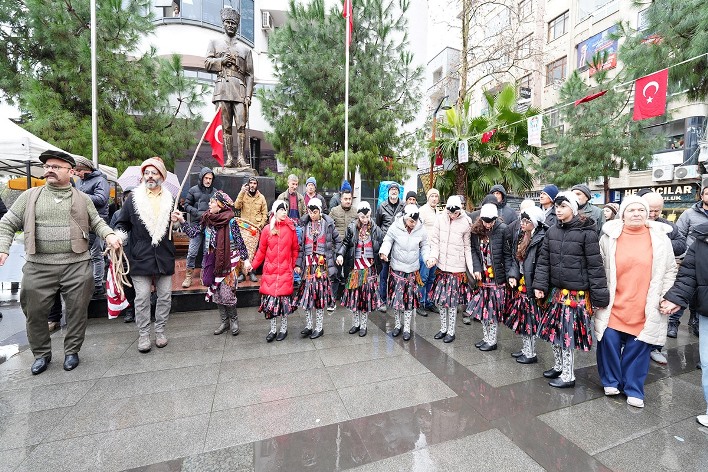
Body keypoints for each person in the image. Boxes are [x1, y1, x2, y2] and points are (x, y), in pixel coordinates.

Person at [0, 150, 121, 374]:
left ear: (70, 171)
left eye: (56, 167)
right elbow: (7, 223)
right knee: (34, 312)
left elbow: (97, 222)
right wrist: (2, 247)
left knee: (77, 311)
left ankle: (72, 351)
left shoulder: (83, 198)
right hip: (38, 265)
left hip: (76, 264)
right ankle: (41, 354)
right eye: (47, 167)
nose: (49, 170)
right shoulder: (30, 196)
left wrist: (110, 235)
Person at [594, 195, 677, 408]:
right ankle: (611, 381)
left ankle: (633, 388)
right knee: (608, 340)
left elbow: (670, 270)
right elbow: (598, 268)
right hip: (614, 302)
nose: (637, 214)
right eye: (631, 210)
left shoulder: (660, 238)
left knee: (638, 347)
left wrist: (666, 296)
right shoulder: (608, 237)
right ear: (623, 214)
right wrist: (598, 294)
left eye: (641, 210)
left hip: (645, 303)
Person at [533, 192, 609, 388]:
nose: (558, 210)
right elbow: (543, 262)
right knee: (554, 333)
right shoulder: (552, 231)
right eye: (557, 206)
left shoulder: (587, 233)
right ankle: (558, 367)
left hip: (576, 295)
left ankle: (568, 375)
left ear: (573, 209)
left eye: (563, 206)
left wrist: (600, 298)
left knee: (567, 336)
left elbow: (595, 266)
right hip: (556, 292)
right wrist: (540, 286)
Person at [114, 157, 185, 353]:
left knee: (165, 297)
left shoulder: (171, 200)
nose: (150, 176)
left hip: (164, 255)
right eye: (146, 173)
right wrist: (118, 237)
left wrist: (176, 221)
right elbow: (122, 224)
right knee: (142, 297)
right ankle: (144, 334)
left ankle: (160, 331)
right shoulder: (133, 200)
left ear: (162, 176)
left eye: (154, 173)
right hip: (140, 255)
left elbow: (174, 228)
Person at [661, 221, 708, 426]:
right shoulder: (702, 239)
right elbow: (688, 274)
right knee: (707, 362)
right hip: (707, 310)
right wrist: (676, 298)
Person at [186, 191, 250, 336]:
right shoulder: (207, 219)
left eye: (212, 202)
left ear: (220, 205)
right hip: (212, 262)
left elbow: (240, 242)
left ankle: (234, 320)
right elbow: (192, 233)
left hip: (229, 263)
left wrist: (246, 261)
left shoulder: (231, 222)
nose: (209, 204)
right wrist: (181, 221)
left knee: (227, 295)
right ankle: (224, 322)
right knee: (217, 294)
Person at [205, 6, 254, 167]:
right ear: (223, 24)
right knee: (225, 126)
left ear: (237, 26)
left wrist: (248, 96)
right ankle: (229, 158)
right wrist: (221, 61)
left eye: (233, 23)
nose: (231, 25)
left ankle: (241, 158)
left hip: (239, 90)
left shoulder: (245, 50)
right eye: (228, 22)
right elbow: (207, 63)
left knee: (241, 125)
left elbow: (250, 75)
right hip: (223, 88)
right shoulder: (214, 43)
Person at [643, 191, 686, 365]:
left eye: (657, 211)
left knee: (658, 314)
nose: (653, 214)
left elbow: (681, 245)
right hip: (637, 278)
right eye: (650, 210)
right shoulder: (632, 222)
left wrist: (661, 243)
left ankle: (655, 348)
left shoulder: (668, 226)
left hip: (660, 277)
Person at [426, 196, 475, 343]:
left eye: (455, 213)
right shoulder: (440, 218)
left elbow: (467, 247)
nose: (452, 215)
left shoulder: (466, 222)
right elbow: (434, 241)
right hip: (442, 267)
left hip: (457, 269)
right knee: (441, 301)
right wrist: (433, 257)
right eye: (450, 212)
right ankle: (443, 328)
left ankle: (451, 331)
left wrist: (471, 268)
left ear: (460, 209)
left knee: (452, 303)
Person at [250, 201, 300, 341]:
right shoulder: (267, 229)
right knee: (271, 304)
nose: (284, 212)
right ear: (275, 211)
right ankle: (272, 330)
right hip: (270, 272)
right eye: (281, 209)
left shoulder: (291, 229)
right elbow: (261, 251)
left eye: (286, 209)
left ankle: (283, 329)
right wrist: (253, 265)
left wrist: (293, 265)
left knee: (284, 304)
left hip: (285, 271)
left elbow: (295, 249)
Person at [466, 203, 512, 351]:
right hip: (483, 276)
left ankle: (492, 341)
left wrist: (509, 276)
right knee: (483, 309)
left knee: (493, 311)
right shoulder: (476, 230)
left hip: (497, 277)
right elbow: (474, 250)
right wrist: (477, 268)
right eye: (485, 221)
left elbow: (507, 255)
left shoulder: (503, 229)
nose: (487, 225)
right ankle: (486, 337)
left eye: (491, 221)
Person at [380, 204, 428, 341]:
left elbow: (425, 245)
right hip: (397, 269)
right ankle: (397, 325)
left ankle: (407, 328)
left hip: (412, 270)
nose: (414, 224)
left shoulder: (421, 228)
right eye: (411, 221)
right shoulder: (396, 226)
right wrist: (384, 252)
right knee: (397, 300)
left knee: (409, 301)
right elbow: (388, 240)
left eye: (415, 221)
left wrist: (427, 258)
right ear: (405, 218)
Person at [295, 198, 341, 339]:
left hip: (322, 267)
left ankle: (319, 327)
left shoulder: (328, 225)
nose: (312, 215)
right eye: (310, 212)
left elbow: (338, 241)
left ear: (320, 211)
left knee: (319, 298)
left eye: (315, 212)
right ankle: (309, 326)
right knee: (307, 297)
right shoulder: (305, 225)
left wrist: (337, 255)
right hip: (308, 267)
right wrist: (298, 264)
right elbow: (301, 248)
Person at [506, 206, 547, 364]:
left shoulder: (542, 238)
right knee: (523, 318)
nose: (522, 223)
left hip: (532, 284)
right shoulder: (521, 234)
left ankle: (530, 353)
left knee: (530, 320)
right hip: (523, 282)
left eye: (526, 221)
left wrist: (538, 286)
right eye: (522, 220)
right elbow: (515, 258)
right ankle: (525, 349)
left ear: (535, 222)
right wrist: (513, 275)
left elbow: (542, 265)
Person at [337, 201, 384, 337]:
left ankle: (363, 325)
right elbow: (345, 243)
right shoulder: (352, 227)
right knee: (355, 297)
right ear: (358, 215)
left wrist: (383, 253)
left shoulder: (376, 229)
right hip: (355, 268)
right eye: (362, 217)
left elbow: (383, 243)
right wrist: (340, 254)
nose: (365, 219)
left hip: (369, 268)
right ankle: (356, 324)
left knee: (365, 298)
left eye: (367, 216)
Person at [73, 156, 111, 297]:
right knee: (85, 254)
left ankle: (98, 285)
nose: (76, 173)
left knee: (96, 254)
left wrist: (80, 195)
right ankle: (87, 283)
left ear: (86, 169)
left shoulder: (101, 180)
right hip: (82, 222)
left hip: (97, 222)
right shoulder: (79, 182)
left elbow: (101, 199)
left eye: (78, 170)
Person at [674, 185, 708, 337]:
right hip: (691, 260)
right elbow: (679, 234)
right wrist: (682, 257)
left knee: (701, 296)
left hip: (706, 262)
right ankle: (673, 323)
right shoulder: (689, 213)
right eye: (707, 193)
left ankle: (696, 321)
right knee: (684, 291)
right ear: (701, 196)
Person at [182, 167, 217, 288]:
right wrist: (197, 213)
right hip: (196, 226)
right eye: (206, 178)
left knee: (206, 253)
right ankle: (188, 277)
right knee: (192, 252)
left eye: (210, 179)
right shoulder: (193, 190)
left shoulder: (215, 192)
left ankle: (203, 275)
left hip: (209, 226)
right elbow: (186, 205)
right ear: (202, 178)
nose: (208, 180)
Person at [376, 182, 404, 312]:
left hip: (399, 245)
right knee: (383, 275)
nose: (394, 191)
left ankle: (395, 300)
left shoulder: (403, 206)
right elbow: (378, 225)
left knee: (398, 275)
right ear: (388, 192)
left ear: (398, 192)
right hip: (385, 246)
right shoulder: (382, 206)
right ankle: (382, 301)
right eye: (391, 189)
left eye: (395, 189)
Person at [109, 186, 137, 323]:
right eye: (127, 196)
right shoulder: (117, 214)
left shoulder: (142, 212)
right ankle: (130, 309)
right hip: (124, 253)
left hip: (139, 253)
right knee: (127, 283)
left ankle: (144, 308)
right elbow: (112, 231)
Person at [233, 176, 267, 283]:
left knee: (254, 251)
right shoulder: (243, 195)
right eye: (251, 183)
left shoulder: (261, 197)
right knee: (243, 250)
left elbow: (265, 213)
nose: (252, 185)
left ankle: (252, 272)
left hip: (255, 229)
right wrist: (241, 192)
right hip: (244, 228)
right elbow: (236, 206)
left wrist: (260, 225)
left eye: (254, 183)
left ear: (257, 185)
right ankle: (242, 274)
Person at [329, 184, 356, 303]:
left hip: (351, 248)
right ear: (341, 199)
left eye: (349, 199)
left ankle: (349, 298)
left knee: (350, 274)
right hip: (337, 248)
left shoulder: (355, 212)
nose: (348, 201)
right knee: (335, 274)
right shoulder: (334, 211)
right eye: (345, 199)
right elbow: (328, 227)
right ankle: (333, 298)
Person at [418, 188, 440, 315]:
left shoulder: (439, 211)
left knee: (432, 277)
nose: (434, 199)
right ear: (428, 197)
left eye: (436, 196)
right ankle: (420, 302)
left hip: (435, 250)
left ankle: (429, 301)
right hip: (425, 249)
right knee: (424, 277)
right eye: (432, 196)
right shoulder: (422, 211)